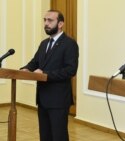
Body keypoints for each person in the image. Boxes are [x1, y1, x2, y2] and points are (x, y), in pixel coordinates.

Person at [20, 10, 79, 141]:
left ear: (60, 24)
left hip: (58, 100)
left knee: (59, 136)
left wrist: (45, 74)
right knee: (45, 136)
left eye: (50, 20)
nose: (46, 23)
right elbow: (35, 62)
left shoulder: (69, 44)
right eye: (44, 20)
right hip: (43, 98)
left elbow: (70, 70)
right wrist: (25, 69)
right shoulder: (44, 44)